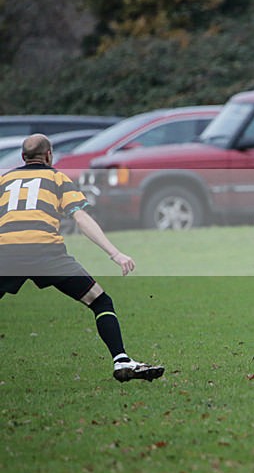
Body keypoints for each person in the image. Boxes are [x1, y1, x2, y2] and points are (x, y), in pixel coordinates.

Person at [0, 134, 164, 382]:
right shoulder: (57, 178)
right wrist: (115, 253)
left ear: (23, 157)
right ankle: (121, 360)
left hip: (7, 253)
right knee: (100, 302)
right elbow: (81, 217)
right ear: (49, 156)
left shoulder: (5, 180)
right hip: (46, 253)